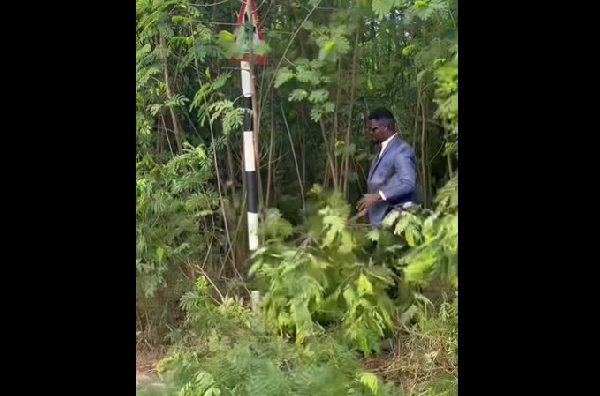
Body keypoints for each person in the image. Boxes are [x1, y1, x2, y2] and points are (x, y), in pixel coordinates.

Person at [357, 107, 418, 226]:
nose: (370, 133)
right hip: (380, 222)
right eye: (369, 129)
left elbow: (408, 184)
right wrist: (367, 209)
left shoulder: (401, 150)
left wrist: (378, 196)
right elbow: (383, 184)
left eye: (373, 129)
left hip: (396, 222)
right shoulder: (382, 150)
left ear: (386, 127)